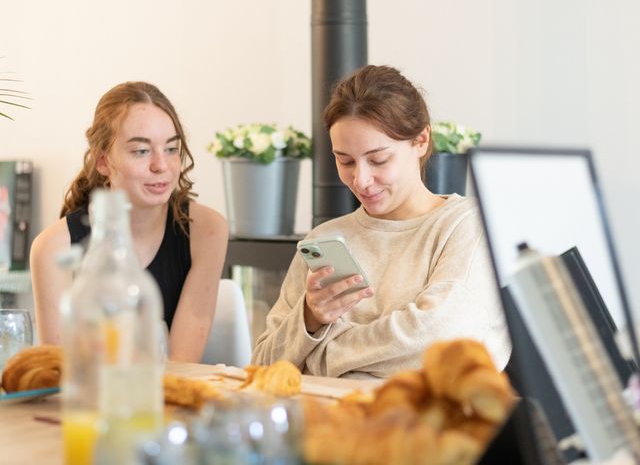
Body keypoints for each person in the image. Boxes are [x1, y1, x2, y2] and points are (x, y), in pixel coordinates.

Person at [252, 65, 511, 379]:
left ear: (421, 140)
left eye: (378, 159)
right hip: (324, 420)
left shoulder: (467, 225)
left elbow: (440, 342)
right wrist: (309, 318)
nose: (360, 180)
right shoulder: (326, 238)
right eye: (345, 160)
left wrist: (320, 355)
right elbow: (262, 367)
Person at [30, 81, 228, 362]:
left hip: (170, 398)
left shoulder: (207, 230)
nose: (161, 166)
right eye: (141, 151)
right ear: (103, 161)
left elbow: (180, 366)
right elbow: (64, 372)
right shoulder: (52, 248)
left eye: (171, 149)